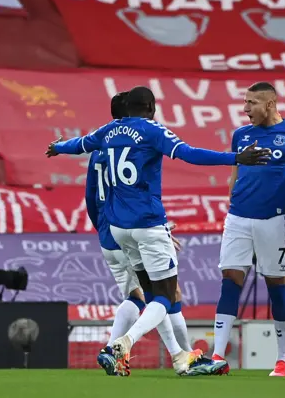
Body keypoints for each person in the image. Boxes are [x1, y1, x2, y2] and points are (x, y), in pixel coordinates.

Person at [46, 86, 270, 375]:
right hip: (148, 223)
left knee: (151, 296)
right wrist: (236, 158)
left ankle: (181, 358)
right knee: (166, 296)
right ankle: (124, 343)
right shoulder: (152, 131)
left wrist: (58, 147)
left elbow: (80, 145)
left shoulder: (108, 131)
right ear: (151, 106)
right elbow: (189, 154)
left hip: (118, 229)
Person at [87, 93, 200, 376]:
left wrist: (102, 230)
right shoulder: (134, 144)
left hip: (108, 232)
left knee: (141, 296)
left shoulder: (100, 148)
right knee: (162, 294)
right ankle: (121, 347)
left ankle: (176, 355)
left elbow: (91, 197)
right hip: (130, 228)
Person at [211, 82, 285, 377]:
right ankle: (218, 355)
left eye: (252, 103)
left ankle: (282, 360)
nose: (246, 109)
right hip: (238, 218)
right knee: (230, 278)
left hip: (274, 220)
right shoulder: (241, 136)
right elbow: (234, 174)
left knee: (275, 283)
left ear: (270, 104)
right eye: (245, 102)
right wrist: (232, 200)